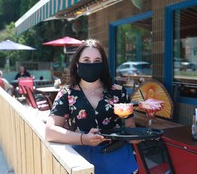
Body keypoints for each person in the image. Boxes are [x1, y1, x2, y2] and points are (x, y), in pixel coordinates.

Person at [45, 39, 139, 174]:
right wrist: (83, 139)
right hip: (81, 162)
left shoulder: (119, 92)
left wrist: (139, 137)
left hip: (118, 161)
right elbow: (50, 131)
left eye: (96, 61)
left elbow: (130, 128)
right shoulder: (67, 93)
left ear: (102, 65)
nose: (91, 64)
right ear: (77, 64)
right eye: (86, 60)